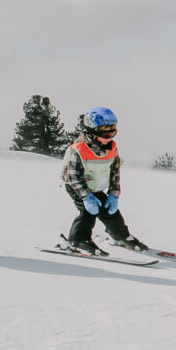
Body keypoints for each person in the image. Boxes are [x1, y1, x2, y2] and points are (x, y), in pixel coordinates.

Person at [61, 107, 147, 256]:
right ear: (92, 131)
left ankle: (120, 236)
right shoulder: (77, 150)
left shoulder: (112, 148)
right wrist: (86, 196)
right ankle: (78, 240)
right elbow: (73, 177)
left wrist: (114, 193)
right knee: (88, 212)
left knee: (110, 212)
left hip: (95, 187)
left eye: (113, 131)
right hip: (77, 187)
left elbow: (115, 171)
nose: (110, 136)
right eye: (105, 132)